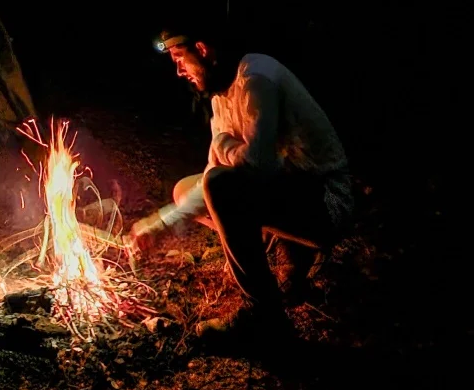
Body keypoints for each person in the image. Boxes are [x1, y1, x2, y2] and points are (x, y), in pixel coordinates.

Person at [128, 27, 353, 349]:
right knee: (188, 189)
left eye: (180, 59)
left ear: (202, 49)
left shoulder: (256, 77)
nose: (179, 72)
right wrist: (160, 223)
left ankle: (264, 315)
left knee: (223, 185)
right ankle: (284, 249)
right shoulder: (222, 95)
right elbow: (213, 175)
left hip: (327, 202)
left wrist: (222, 144)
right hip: (290, 192)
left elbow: (258, 166)